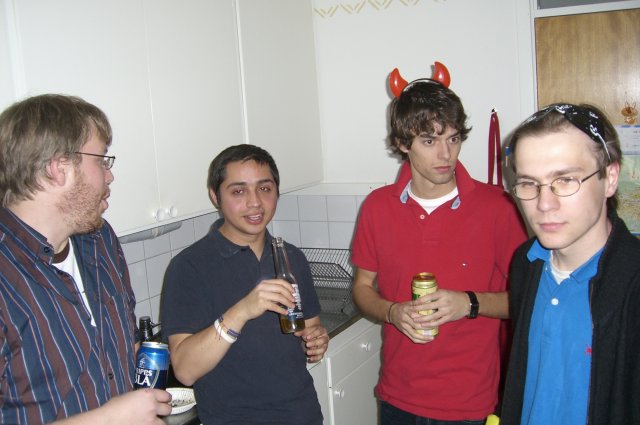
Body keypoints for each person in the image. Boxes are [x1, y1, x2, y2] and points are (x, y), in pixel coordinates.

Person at [351, 78, 528, 424]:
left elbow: (527, 298)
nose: (446, 154)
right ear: (403, 143)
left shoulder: (498, 208)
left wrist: (469, 303)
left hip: (468, 405)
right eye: (429, 141)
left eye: (453, 139)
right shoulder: (377, 207)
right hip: (397, 397)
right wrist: (392, 312)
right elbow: (362, 287)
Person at [0, 94, 171, 424]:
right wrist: (111, 418)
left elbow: (113, 352)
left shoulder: (100, 240)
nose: (110, 176)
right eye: (102, 160)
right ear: (59, 168)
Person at [160, 144, 329, 425]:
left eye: (264, 188)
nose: (255, 203)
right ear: (215, 196)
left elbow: (308, 329)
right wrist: (243, 310)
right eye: (238, 191)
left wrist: (316, 340)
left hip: (303, 414)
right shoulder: (189, 267)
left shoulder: (292, 258)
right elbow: (185, 370)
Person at [500, 103, 640, 425]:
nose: (544, 204)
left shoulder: (633, 283)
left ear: (610, 178)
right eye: (528, 184)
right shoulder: (526, 264)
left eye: (564, 180)